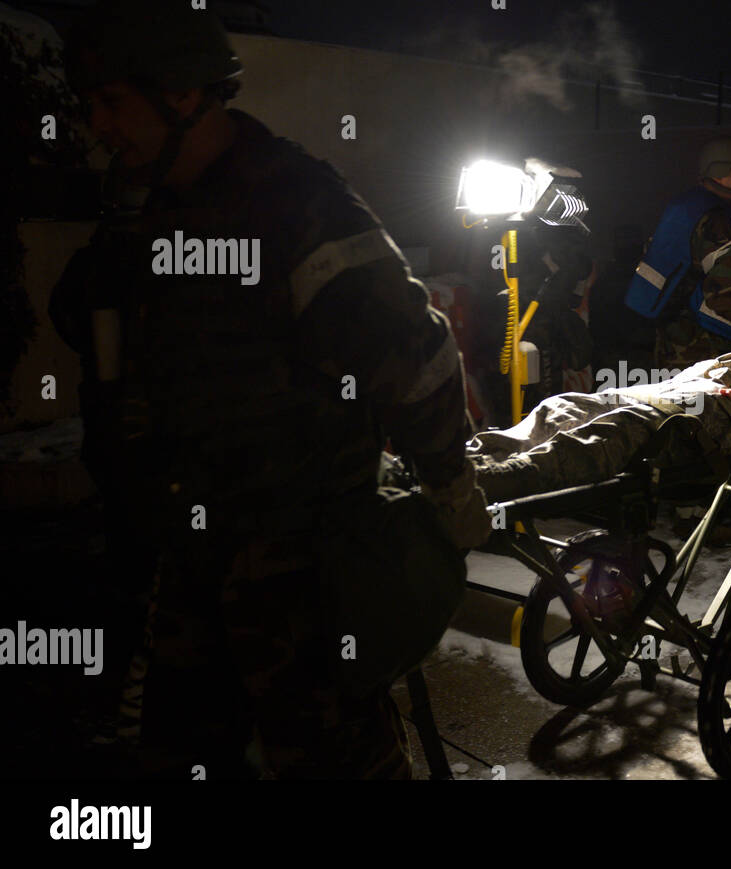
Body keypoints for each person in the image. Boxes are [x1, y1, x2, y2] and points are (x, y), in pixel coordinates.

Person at [52, 0, 489, 778]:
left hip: (300, 580)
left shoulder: (296, 206)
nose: (97, 125)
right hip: (183, 564)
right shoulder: (146, 209)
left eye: (112, 102)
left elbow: (415, 356)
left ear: (184, 93)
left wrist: (450, 486)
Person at [469, 351, 731, 502]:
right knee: (563, 406)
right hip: (671, 392)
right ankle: (467, 461)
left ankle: (506, 478)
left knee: (621, 430)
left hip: (720, 417)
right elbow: (704, 367)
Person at [625, 137, 731, 371]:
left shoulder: (688, 208)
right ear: (724, 173)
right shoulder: (718, 221)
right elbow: (725, 291)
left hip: (673, 340)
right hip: (704, 347)